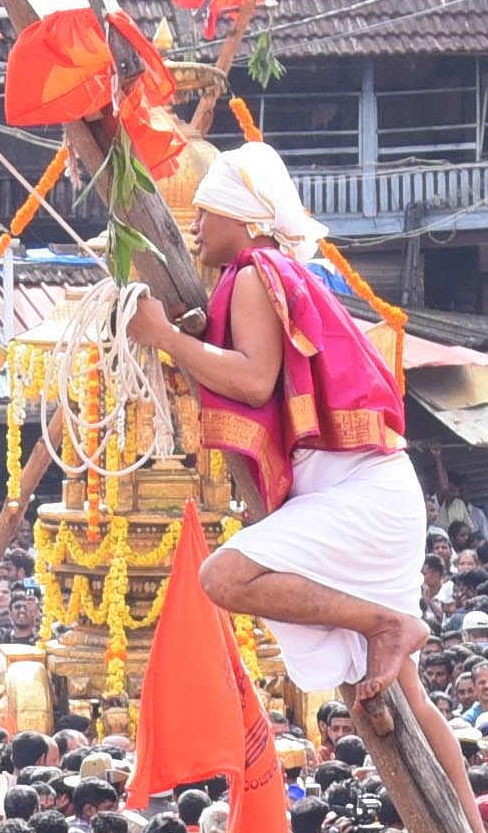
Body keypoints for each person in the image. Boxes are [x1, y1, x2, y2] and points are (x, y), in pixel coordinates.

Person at [125, 144, 430, 706]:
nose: (195, 226)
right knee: (411, 702)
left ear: (244, 218)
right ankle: (460, 801)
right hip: (373, 493)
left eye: (206, 212)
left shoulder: (252, 272)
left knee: (221, 578)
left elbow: (254, 380)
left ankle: (385, 624)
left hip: (360, 496)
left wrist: (167, 339)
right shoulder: (279, 270)